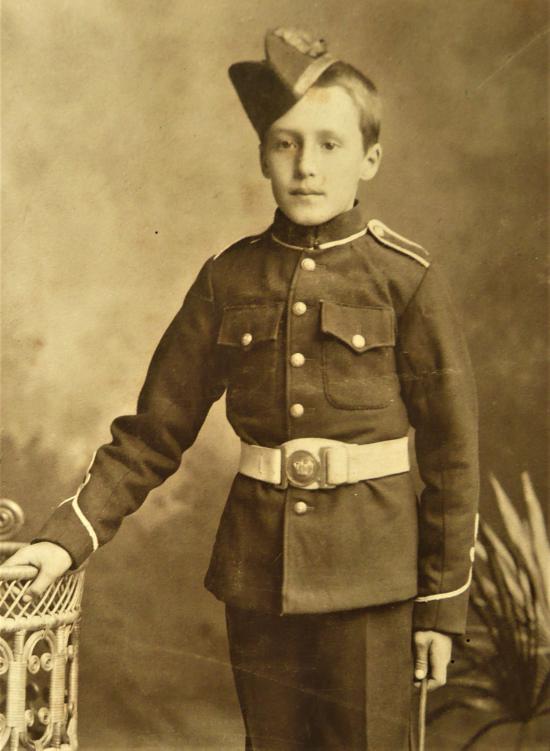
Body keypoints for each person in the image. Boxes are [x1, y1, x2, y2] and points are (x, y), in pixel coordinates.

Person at [4, 27, 479, 750]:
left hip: (373, 582)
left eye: (329, 144)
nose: (306, 166)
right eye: (286, 143)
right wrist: (68, 537)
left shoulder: (405, 279)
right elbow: (152, 433)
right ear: (262, 154)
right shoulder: (229, 279)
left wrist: (442, 607)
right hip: (260, 578)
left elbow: (452, 456)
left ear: (370, 158)